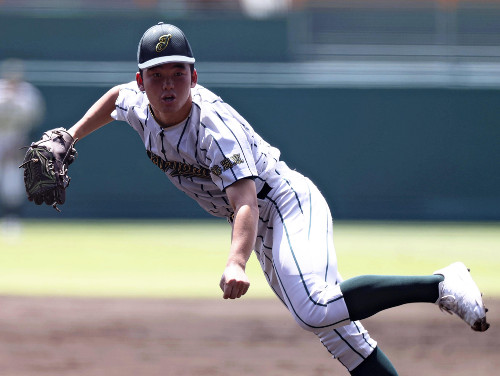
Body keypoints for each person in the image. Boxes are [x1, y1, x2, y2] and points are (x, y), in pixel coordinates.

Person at [65, 22, 489, 375]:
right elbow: (116, 100)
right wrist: (69, 136)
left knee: (315, 308)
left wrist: (236, 261)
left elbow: (245, 200)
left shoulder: (213, 128)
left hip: (285, 204)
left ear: (194, 76)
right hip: (263, 225)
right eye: (156, 75)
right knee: (340, 336)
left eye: (178, 72)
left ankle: (440, 284)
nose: (167, 84)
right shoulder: (138, 101)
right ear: (142, 81)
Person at [0, 59, 45, 235]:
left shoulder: (29, 93)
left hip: (16, 138)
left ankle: (11, 219)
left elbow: (33, 122)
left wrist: (20, 144)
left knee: (12, 183)